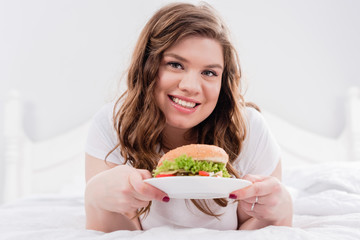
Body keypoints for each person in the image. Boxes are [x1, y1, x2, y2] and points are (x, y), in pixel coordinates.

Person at [84, 2, 293, 232]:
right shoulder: (113, 123)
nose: (191, 87)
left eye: (209, 72)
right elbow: (115, 233)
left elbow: (258, 228)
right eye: (175, 65)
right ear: (147, 66)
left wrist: (283, 211)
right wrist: (96, 200)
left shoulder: (249, 129)